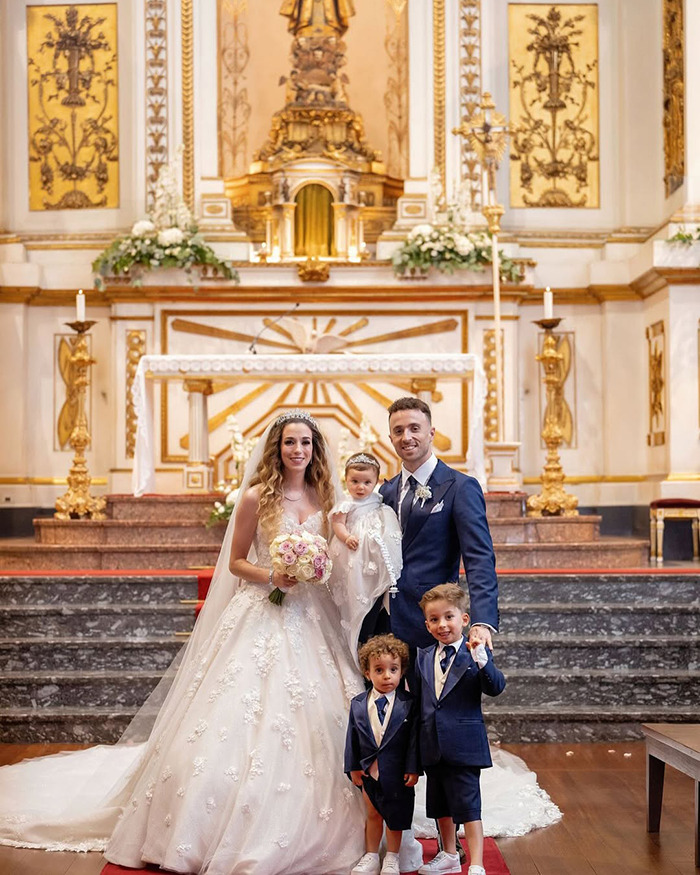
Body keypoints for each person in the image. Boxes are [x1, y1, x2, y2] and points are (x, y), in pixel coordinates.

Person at [0, 410, 367, 875]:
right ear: (277, 448)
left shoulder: (328, 496)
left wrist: (319, 569)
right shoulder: (257, 497)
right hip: (265, 609)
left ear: (316, 449)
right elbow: (235, 563)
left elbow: (338, 553)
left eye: (306, 443)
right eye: (290, 442)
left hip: (314, 617)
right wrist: (273, 574)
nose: (298, 450)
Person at [366, 397, 498, 659]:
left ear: (431, 433)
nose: (407, 437)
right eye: (398, 431)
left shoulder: (460, 487)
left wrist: (482, 621)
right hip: (382, 621)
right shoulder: (385, 490)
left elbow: (479, 558)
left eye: (415, 428)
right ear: (390, 438)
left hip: (433, 622)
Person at [413, 584, 505, 875]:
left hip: (464, 745)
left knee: (467, 806)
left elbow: (496, 687)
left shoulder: (474, 654)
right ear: (427, 624)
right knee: (440, 804)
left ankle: (476, 862)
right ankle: (449, 854)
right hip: (433, 744)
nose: (442, 625)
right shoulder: (423, 656)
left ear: (464, 620)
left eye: (449, 617)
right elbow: (422, 702)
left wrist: (482, 661)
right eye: (435, 619)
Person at [345, 634, 420, 875]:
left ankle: (392, 857)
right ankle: (371, 855)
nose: (387, 676)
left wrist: (413, 768)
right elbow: (352, 737)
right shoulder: (358, 703)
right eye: (379, 670)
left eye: (393, 669)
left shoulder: (409, 703)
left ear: (402, 671)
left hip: (397, 772)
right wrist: (353, 766)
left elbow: (413, 742)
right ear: (367, 673)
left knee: (395, 815)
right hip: (369, 771)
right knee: (373, 813)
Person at [329, 452, 403, 665]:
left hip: (371, 558)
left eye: (366, 482)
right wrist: (346, 536)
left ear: (375, 482)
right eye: (354, 482)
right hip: (350, 554)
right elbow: (338, 524)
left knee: (371, 593)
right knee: (352, 588)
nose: (360, 487)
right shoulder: (346, 503)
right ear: (346, 480)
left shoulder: (378, 500)